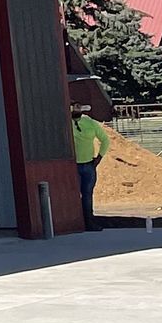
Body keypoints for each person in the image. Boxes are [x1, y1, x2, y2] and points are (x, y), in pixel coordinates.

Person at [70, 99, 110, 230]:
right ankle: (74, 223)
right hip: (71, 166)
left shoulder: (90, 123)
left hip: (88, 165)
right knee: (72, 195)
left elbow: (105, 140)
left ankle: (89, 222)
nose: (75, 109)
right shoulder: (65, 124)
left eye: (78, 106)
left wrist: (99, 158)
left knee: (87, 195)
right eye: (73, 107)